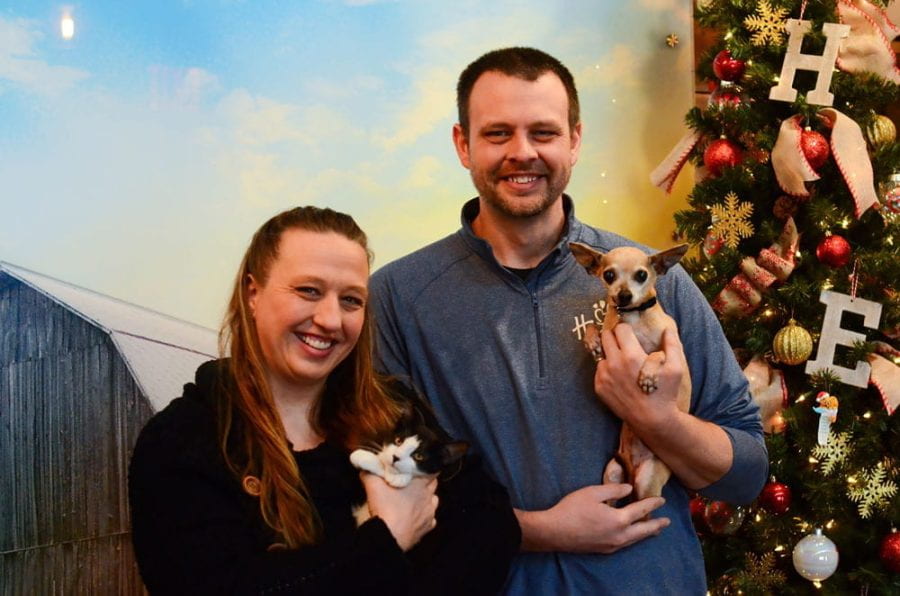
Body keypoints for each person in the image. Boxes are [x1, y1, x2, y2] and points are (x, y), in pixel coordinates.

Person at [370, 47, 768, 593]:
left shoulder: (656, 280)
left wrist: (658, 420)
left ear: (575, 141)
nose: (522, 152)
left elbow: (747, 472)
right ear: (463, 145)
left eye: (544, 132)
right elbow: (382, 480)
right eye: (497, 134)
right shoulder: (398, 296)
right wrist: (539, 531)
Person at [128, 206, 520, 594]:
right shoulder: (182, 442)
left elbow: (490, 523)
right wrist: (389, 537)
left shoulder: (394, 411)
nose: (331, 320)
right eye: (308, 291)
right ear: (253, 292)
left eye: (351, 300)